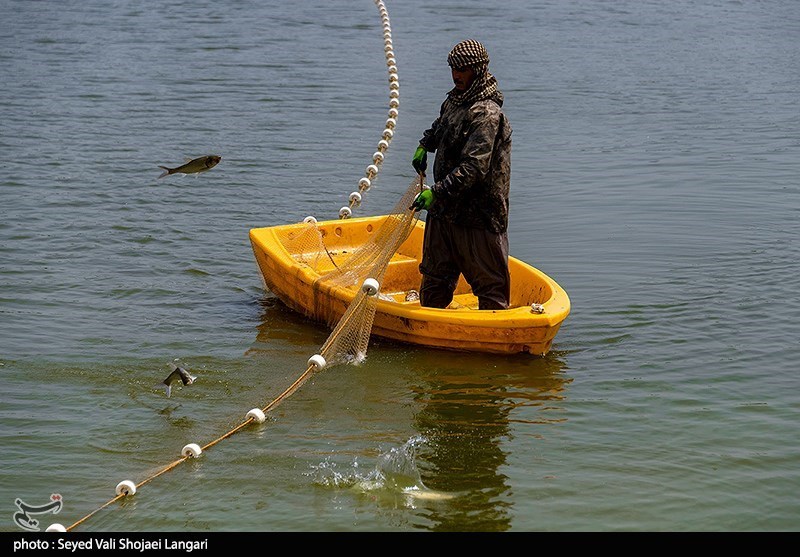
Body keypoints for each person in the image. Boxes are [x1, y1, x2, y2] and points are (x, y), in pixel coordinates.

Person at [410, 39, 512, 310]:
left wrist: (436, 191)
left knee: (490, 288)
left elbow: (474, 168)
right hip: (444, 211)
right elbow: (440, 127)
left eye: (463, 69)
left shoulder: (488, 114)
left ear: (477, 71)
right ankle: (431, 337)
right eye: (453, 68)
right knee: (434, 280)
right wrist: (425, 144)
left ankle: (494, 340)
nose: (456, 75)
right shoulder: (454, 101)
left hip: (478, 216)